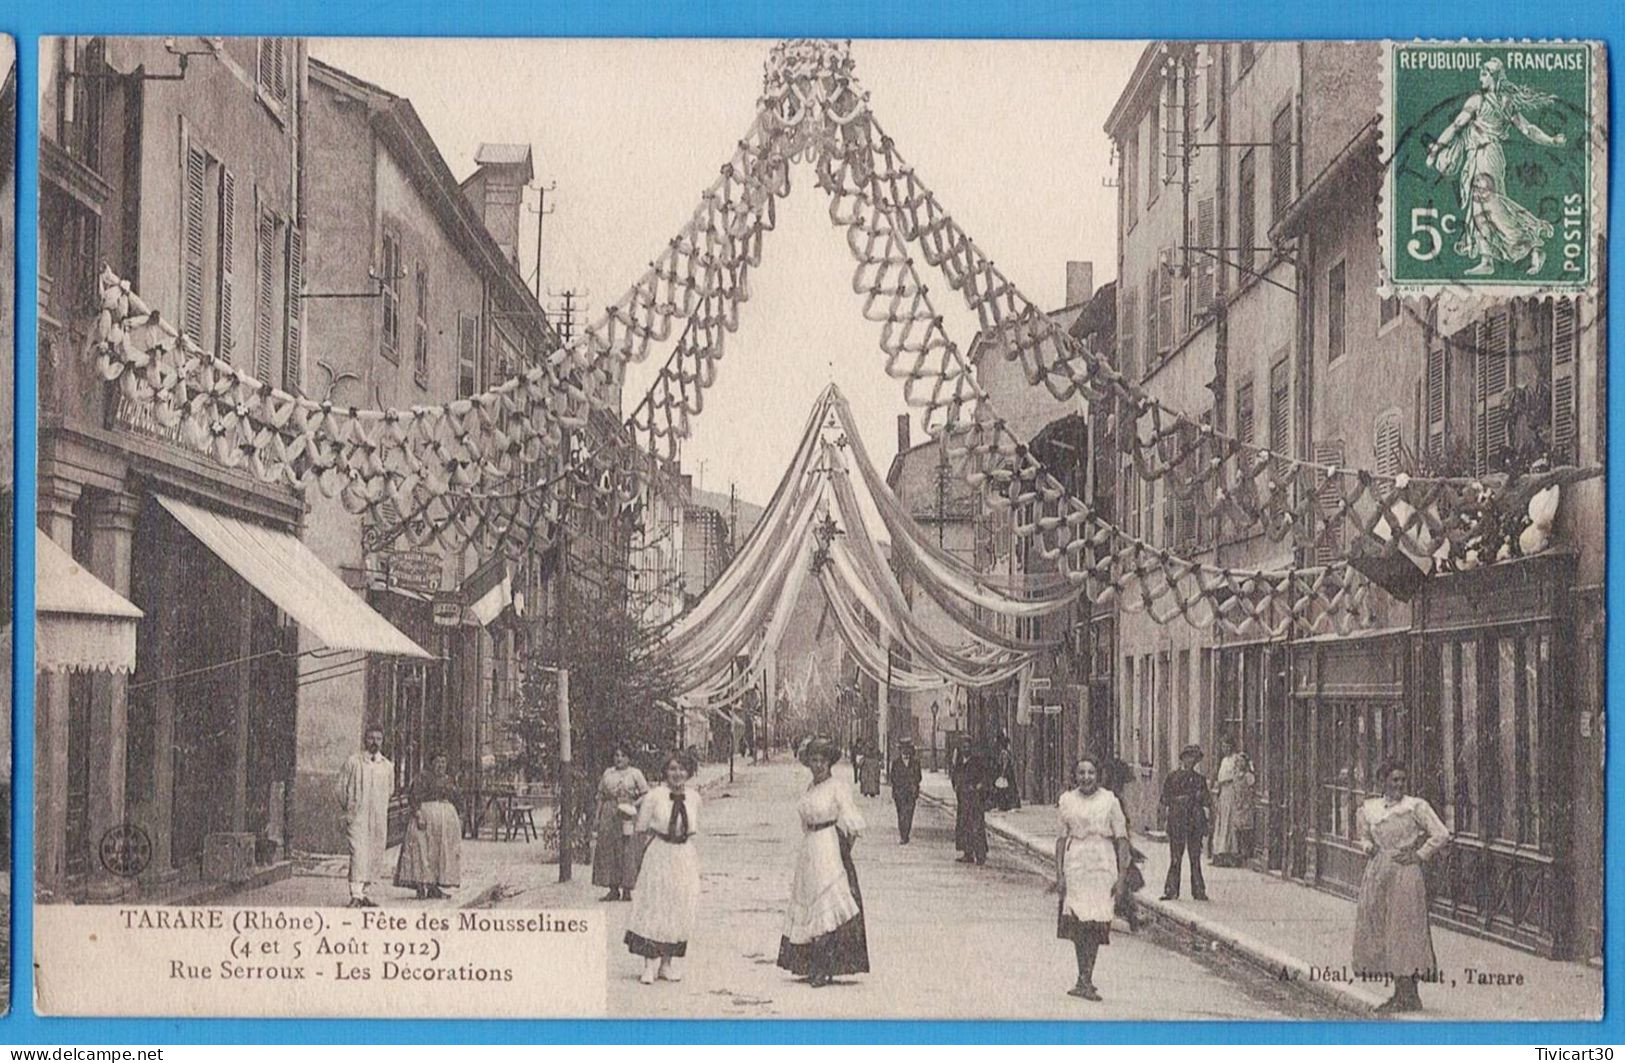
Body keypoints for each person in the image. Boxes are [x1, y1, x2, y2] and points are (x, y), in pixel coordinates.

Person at [1426, 57, 1565, 277]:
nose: (1480, 77)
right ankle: (1487, 259)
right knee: (1479, 208)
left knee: (1491, 206)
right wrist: (1552, 141)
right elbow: (1457, 126)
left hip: (1487, 155)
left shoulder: (1486, 101)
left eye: (1484, 73)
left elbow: (1527, 129)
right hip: (1478, 156)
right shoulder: (1489, 101)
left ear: (1494, 77)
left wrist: (1551, 140)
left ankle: (1533, 241)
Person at [1353, 760, 1451, 1013]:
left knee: (1405, 930)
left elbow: (1441, 834)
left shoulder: (1415, 806)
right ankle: (1399, 993)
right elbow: (1362, 835)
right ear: (1383, 781)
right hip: (1378, 872)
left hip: (1406, 874)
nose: (1399, 785)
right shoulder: (1370, 808)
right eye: (1394, 780)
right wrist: (1368, 847)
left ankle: (1411, 994)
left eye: (1402, 780)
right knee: (1382, 930)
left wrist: (1419, 855)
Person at [777, 736, 870, 987]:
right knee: (808, 901)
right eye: (813, 760)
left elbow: (852, 820)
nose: (818, 765)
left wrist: (843, 850)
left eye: (822, 761)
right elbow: (804, 822)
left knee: (827, 903)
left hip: (828, 845)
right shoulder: (809, 788)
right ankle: (807, 963)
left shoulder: (837, 787)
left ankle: (824, 967)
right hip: (810, 847)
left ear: (830, 763)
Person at [1054, 754, 1133, 1001]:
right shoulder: (1067, 801)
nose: (1086, 777)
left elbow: (1122, 840)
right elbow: (1061, 839)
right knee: (1078, 922)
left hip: (1101, 864)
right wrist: (1059, 873)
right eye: (1081, 773)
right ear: (1075, 776)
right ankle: (1083, 977)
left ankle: (1087, 977)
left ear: (1098, 775)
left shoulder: (1109, 801)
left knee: (1096, 921)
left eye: (1090, 773)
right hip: (1077, 864)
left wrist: (1121, 877)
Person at [624, 750, 703, 985]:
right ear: (665, 772)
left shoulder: (694, 797)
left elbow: (694, 825)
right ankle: (649, 964)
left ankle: (667, 964)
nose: (677, 774)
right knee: (655, 904)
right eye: (672, 769)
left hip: (683, 855)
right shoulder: (655, 796)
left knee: (678, 905)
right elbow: (641, 828)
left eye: (681, 769)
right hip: (660, 853)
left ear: (688, 772)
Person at [394, 751, 462, 900]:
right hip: (425, 819)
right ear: (431, 763)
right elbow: (413, 797)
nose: (440, 766)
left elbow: (457, 799)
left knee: (439, 853)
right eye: (437, 762)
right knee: (422, 852)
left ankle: (434, 887)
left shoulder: (448, 780)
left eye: (443, 762)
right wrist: (418, 815)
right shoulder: (422, 778)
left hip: (443, 825)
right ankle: (420, 886)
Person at [338, 725, 394, 908]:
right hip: (358, 816)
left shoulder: (387, 766)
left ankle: (365, 893)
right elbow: (340, 788)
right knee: (358, 854)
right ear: (365, 740)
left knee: (374, 853)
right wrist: (350, 808)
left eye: (378, 739)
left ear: (382, 741)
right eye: (371, 738)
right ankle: (355, 893)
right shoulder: (354, 762)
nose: (374, 742)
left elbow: (390, 790)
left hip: (377, 817)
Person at [593, 744, 651, 902]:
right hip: (609, 812)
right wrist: (597, 817)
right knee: (608, 849)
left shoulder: (635, 773)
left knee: (627, 850)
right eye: (616, 755)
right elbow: (600, 796)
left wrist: (633, 804)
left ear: (629, 758)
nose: (619, 759)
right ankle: (613, 889)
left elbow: (646, 794)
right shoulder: (608, 773)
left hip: (627, 813)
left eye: (622, 755)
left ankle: (627, 889)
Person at [1159, 743, 1211, 901]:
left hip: (1194, 822)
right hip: (1177, 821)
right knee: (1176, 857)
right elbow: (1164, 799)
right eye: (1189, 757)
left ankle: (1199, 891)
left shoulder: (1199, 779)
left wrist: (1199, 799)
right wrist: (1178, 803)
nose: (1192, 761)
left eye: (1195, 759)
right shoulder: (1172, 777)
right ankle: (1171, 890)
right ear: (1183, 758)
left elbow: (1207, 801)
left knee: (1195, 858)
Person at [1210, 741, 1256, 867]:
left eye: (1227, 746)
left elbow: (1240, 775)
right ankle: (1220, 852)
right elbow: (1220, 777)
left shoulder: (1236, 759)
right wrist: (1216, 791)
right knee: (1222, 822)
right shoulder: (1224, 760)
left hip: (1232, 791)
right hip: (1223, 792)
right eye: (1223, 746)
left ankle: (1230, 853)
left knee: (1230, 822)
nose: (1224, 748)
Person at [951, 737, 991, 864]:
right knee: (964, 827)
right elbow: (955, 777)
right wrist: (956, 786)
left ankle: (980, 855)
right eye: (963, 747)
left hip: (974, 799)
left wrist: (979, 786)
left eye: (967, 747)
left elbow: (984, 778)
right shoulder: (959, 763)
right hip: (963, 799)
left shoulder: (977, 762)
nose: (965, 749)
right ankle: (967, 853)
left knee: (977, 827)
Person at [888, 740, 923, 844]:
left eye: (908, 749)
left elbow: (919, 777)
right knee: (901, 814)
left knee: (909, 814)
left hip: (911, 793)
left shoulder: (916, 763)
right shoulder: (896, 763)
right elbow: (893, 777)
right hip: (899, 793)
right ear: (900, 751)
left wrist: (914, 784)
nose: (906, 752)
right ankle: (903, 835)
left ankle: (906, 834)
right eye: (903, 749)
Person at [991, 733, 1021, 812]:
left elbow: (1005, 764)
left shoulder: (1004, 753)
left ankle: (1007, 805)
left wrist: (1003, 774)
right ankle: (1005, 805)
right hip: (1008, 773)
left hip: (1006, 774)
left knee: (1005, 790)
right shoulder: (1006, 752)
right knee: (1006, 790)